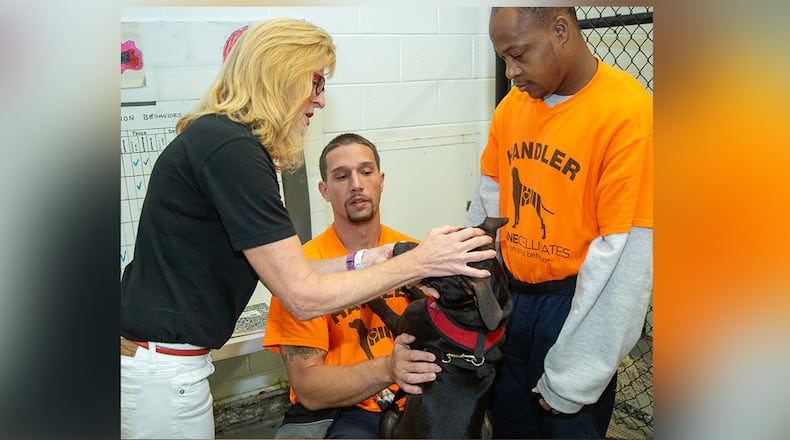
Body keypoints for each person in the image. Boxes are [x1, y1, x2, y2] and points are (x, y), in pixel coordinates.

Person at [120, 18, 494, 439]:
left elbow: (298, 271)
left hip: (169, 368)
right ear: (282, 74)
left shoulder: (221, 140)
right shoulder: (233, 151)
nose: (319, 99)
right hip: (164, 375)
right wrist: (421, 262)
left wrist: (374, 257)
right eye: (315, 81)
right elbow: (301, 295)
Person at [465, 7, 653, 439]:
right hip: (513, 299)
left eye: (518, 54)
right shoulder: (513, 106)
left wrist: (576, 374)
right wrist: (471, 285)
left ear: (561, 30)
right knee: (511, 424)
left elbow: (625, 259)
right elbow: (486, 204)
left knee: (567, 425)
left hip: (576, 307)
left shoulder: (626, 113)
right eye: (503, 59)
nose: (511, 72)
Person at [264, 133, 441, 438]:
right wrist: (389, 369)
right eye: (342, 176)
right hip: (344, 410)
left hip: (415, 397)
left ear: (381, 180)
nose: (356, 184)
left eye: (366, 172)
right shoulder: (300, 271)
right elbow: (309, 389)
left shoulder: (412, 254)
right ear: (324, 190)